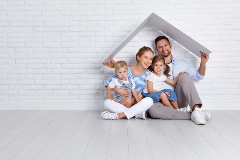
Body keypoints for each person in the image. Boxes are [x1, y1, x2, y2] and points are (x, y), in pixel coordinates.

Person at [148, 36, 211, 125]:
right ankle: (196, 114)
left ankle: (196, 109)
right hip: (162, 101)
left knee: (184, 76)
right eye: (160, 47)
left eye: (165, 45)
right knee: (152, 111)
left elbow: (199, 76)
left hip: (178, 100)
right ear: (157, 50)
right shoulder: (153, 65)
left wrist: (203, 63)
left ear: (170, 46)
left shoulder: (182, 63)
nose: (163, 49)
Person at [101, 46, 154, 120]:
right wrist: (118, 90)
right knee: (107, 102)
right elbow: (107, 84)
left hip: (137, 103)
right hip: (123, 102)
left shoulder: (149, 74)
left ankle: (119, 115)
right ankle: (135, 114)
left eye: (151, 59)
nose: (149, 61)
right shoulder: (126, 70)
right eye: (146, 57)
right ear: (138, 57)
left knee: (149, 100)